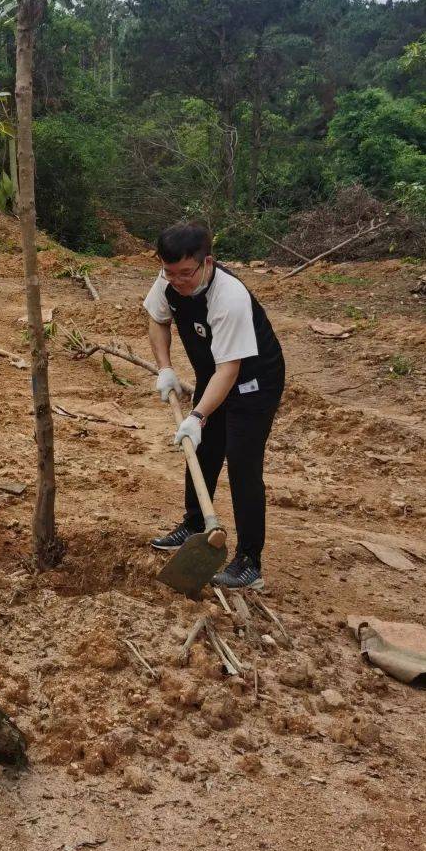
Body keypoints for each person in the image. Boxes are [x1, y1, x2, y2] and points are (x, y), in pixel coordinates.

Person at [143, 222, 285, 590]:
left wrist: (198, 414)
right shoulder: (170, 280)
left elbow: (230, 370)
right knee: (202, 449)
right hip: (215, 371)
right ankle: (194, 523)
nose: (177, 281)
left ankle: (249, 561)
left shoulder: (229, 297)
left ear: (208, 261)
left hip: (254, 380)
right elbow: (157, 320)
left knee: (242, 463)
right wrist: (166, 369)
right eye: (169, 272)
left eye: (186, 273)